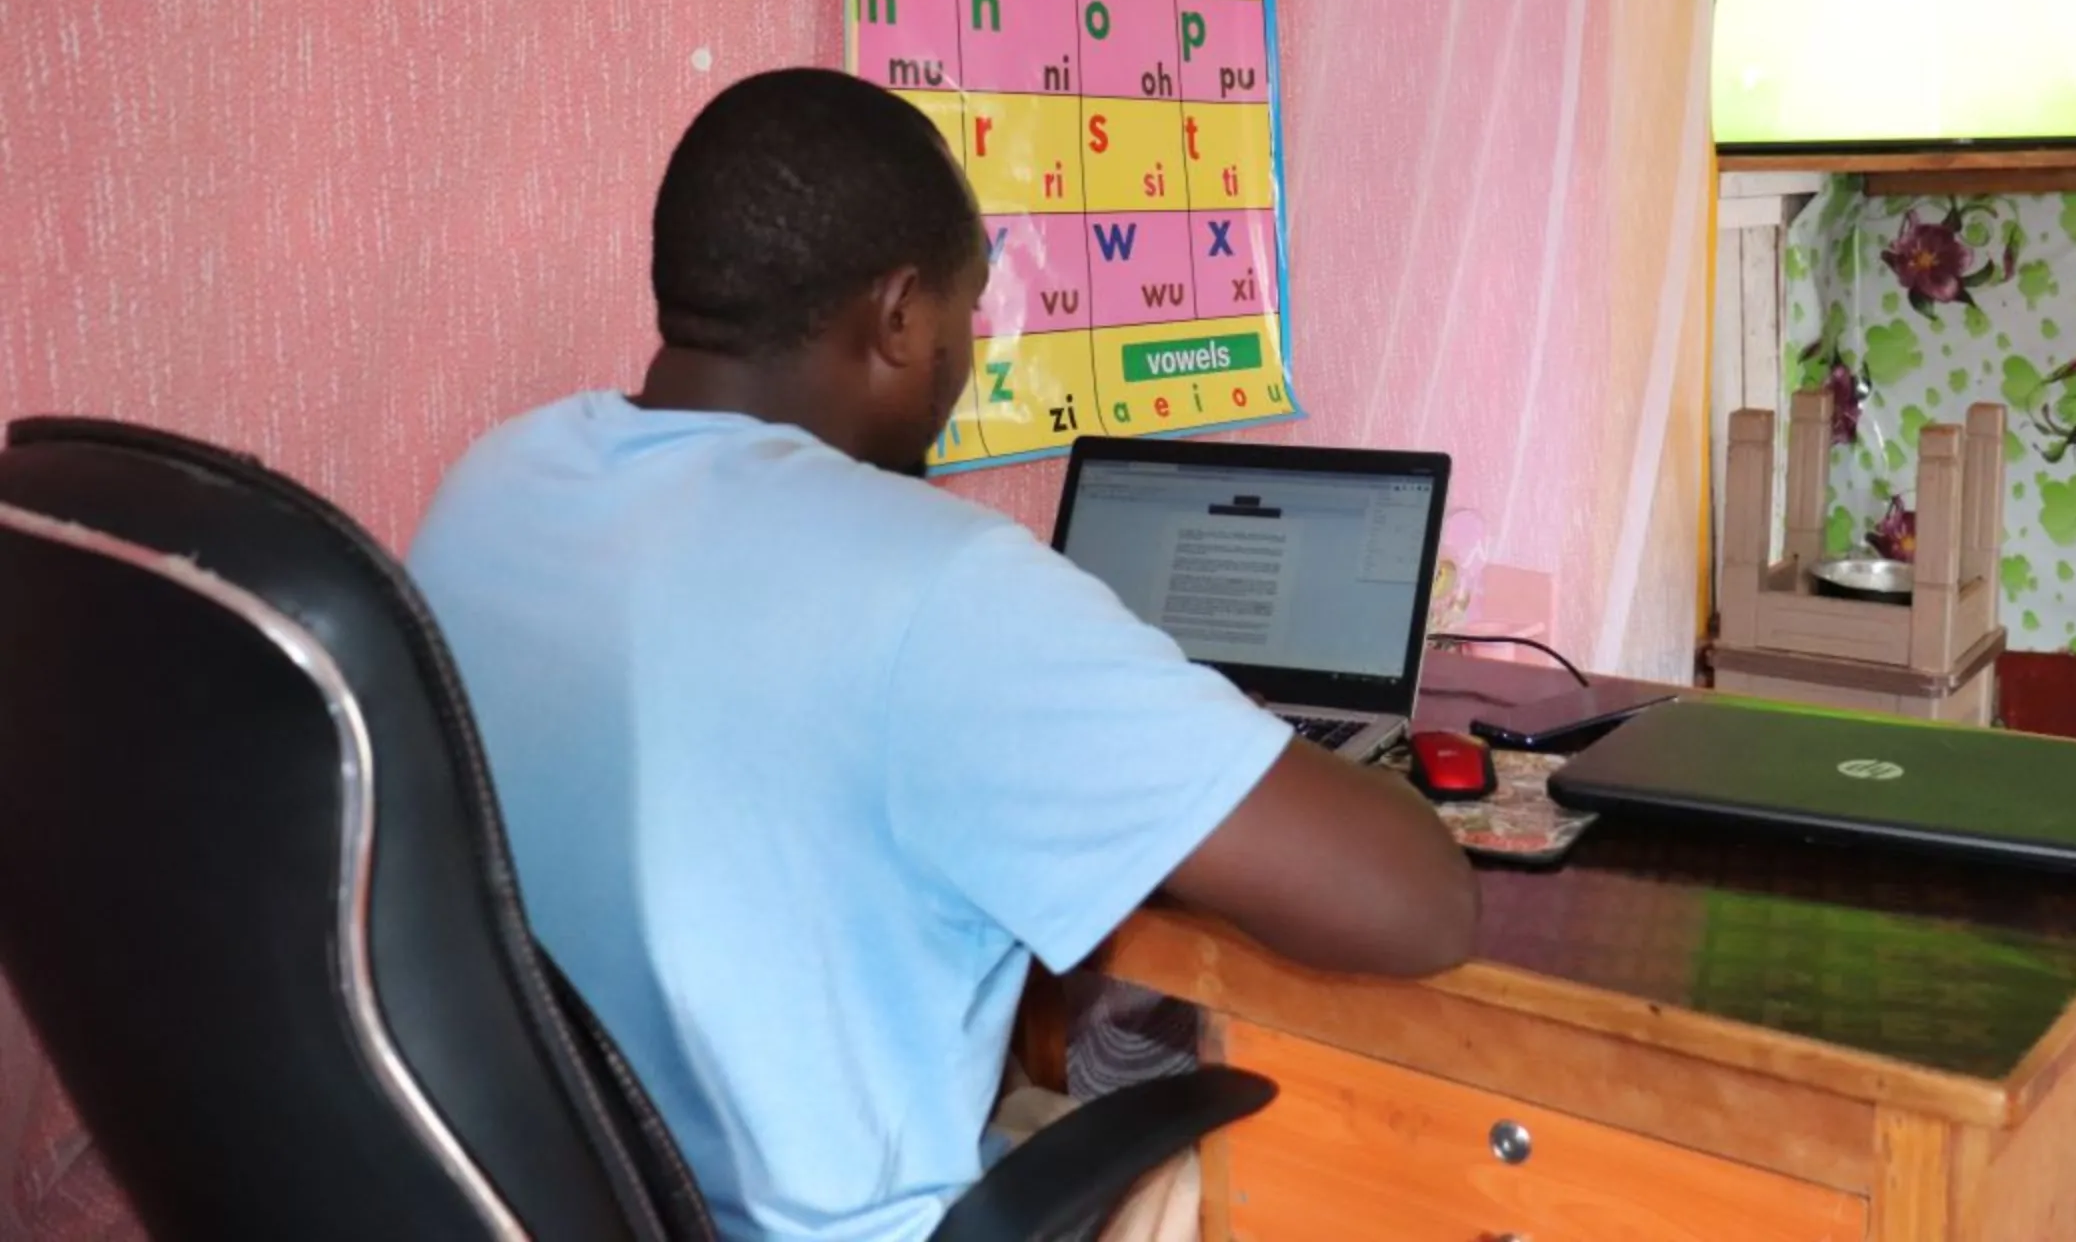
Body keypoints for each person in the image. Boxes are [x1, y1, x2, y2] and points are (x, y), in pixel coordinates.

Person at [406, 69, 1477, 1242]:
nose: (962, 361)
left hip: (535, 1201)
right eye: (967, 317)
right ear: (901, 314)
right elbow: (1413, 905)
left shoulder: (497, 481)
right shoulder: (935, 582)